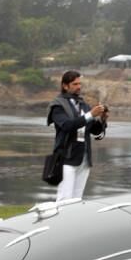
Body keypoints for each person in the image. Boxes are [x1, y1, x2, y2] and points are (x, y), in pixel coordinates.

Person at [47, 70, 108, 201]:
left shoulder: (84, 105)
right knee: (64, 199)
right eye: (75, 84)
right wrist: (91, 114)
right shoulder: (57, 105)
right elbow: (67, 126)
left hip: (84, 159)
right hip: (65, 158)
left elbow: (96, 133)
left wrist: (103, 120)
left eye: (80, 84)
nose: (79, 87)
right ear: (65, 86)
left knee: (77, 200)